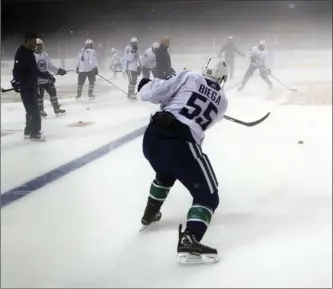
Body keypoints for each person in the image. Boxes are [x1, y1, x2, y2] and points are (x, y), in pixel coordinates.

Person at [137, 57, 229, 264]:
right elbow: (198, 129)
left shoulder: (190, 75)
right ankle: (190, 239)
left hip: (152, 138)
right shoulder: (223, 102)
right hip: (180, 142)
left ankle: (150, 213)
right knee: (208, 197)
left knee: (165, 172)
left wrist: (145, 86)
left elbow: (155, 93)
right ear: (222, 78)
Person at [11, 32, 53, 141]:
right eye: (34, 42)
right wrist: (17, 81)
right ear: (28, 41)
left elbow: (34, 70)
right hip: (26, 87)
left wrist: (46, 75)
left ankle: (28, 130)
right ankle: (34, 132)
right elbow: (16, 70)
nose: (35, 44)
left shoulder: (30, 53)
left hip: (32, 85)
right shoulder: (21, 53)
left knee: (32, 109)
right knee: (33, 109)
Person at [34, 38, 67, 117]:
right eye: (38, 45)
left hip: (47, 79)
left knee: (53, 92)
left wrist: (58, 71)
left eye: (41, 45)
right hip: (37, 81)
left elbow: (50, 66)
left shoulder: (45, 54)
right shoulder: (32, 56)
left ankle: (56, 108)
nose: (40, 47)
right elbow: (34, 70)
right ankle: (40, 110)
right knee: (39, 96)